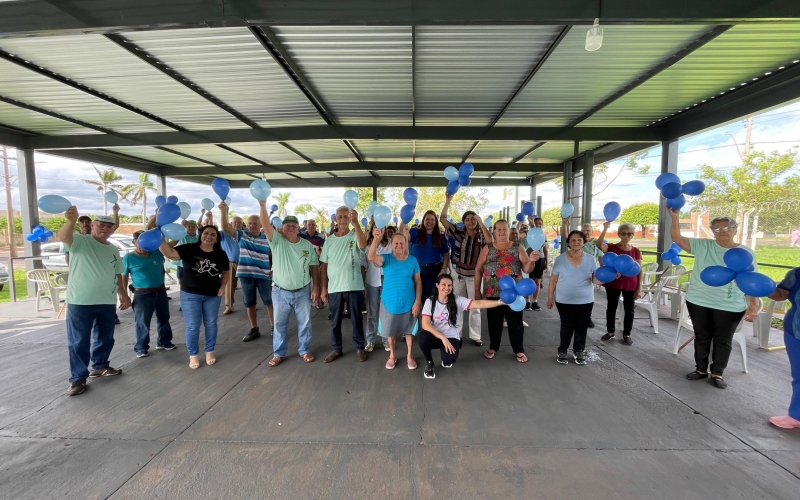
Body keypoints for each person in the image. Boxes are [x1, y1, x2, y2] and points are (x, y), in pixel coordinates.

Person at [668, 210, 760, 389]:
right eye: (717, 229)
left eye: (726, 228)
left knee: (723, 339)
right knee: (702, 336)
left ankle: (717, 372)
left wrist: (753, 303)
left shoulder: (745, 252)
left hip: (730, 304)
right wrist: (675, 217)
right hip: (698, 300)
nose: (722, 232)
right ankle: (700, 369)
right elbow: (677, 238)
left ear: (734, 229)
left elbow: (751, 279)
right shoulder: (703, 246)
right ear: (712, 232)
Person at [58, 208, 131, 396]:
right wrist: (71, 221)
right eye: (100, 225)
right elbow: (63, 237)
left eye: (109, 226)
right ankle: (78, 378)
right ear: (92, 226)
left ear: (113, 230)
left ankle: (100, 366)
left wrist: (123, 294)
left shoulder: (113, 248)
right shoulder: (80, 241)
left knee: (105, 336)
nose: (104, 229)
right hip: (80, 301)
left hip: (107, 300)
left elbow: (117, 273)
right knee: (79, 340)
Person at [159, 224, 230, 370]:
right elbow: (169, 253)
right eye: (206, 233)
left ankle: (210, 351)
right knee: (193, 326)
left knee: (211, 323)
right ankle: (193, 355)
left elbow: (225, 271)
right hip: (190, 295)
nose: (208, 236)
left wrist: (223, 286)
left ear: (216, 239)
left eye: (212, 234)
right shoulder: (189, 248)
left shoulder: (220, 254)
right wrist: (161, 235)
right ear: (201, 234)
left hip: (213, 295)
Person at [262, 204, 320, 367]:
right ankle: (279, 353)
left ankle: (304, 350)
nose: (291, 228)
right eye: (287, 226)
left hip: (303, 291)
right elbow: (266, 225)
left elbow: (314, 266)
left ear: (298, 228)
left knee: (305, 323)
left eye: (294, 226)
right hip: (280, 291)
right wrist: (262, 204)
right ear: (282, 227)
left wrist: (316, 287)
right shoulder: (277, 241)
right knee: (280, 324)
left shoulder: (307, 245)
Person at [474, 219, 538, 362]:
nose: (502, 232)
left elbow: (527, 268)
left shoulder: (517, 247)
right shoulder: (488, 248)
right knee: (493, 322)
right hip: (492, 292)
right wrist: (477, 291)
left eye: (505, 229)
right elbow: (478, 269)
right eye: (499, 230)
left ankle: (519, 350)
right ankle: (493, 347)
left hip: (515, 292)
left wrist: (532, 260)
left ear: (509, 231)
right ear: (494, 232)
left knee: (515, 322)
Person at [420, 274, 505, 379]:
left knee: (448, 360)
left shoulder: (458, 300)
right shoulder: (430, 301)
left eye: (449, 285)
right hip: (436, 335)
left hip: (451, 336)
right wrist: (442, 337)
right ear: (437, 285)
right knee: (423, 336)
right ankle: (429, 362)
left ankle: (447, 355)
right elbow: (425, 324)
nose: (446, 288)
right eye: (443, 284)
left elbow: (478, 304)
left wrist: (500, 302)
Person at [440, 194, 492, 345]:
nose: (470, 221)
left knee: (475, 305)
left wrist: (481, 224)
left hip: (475, 276)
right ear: (463, 222)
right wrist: (448, 201)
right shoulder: (458, 232)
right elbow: (443, 219)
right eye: (467, 219)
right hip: (459, 275)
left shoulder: (482, 235)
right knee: (457, 304)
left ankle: (475, 335)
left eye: (473, 219)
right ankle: (457, 333)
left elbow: (491, 243)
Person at [368, 227, 421, 370]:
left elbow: (418, 282)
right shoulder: (387, 259)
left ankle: (410, 356)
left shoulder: (413, 261)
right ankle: (392, 356)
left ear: (406, 245)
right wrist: (376, 240)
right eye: (396, 243)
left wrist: (417, 301)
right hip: (389, 302)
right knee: (390, 332)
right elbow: (371, 257)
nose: (399, 246)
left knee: (409, 331)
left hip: (409, 302)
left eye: (401, 243)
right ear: (392, 245)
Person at [320, 206, 368, 363]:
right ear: (335, 219)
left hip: (353, 286)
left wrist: (357, 223)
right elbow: (324, 265)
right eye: (340, 217)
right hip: (334, 287)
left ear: (349, 218)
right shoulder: (329, 241)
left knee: (356, 319)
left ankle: (360, 347)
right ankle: (336, 349)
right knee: (335, 321)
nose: (342, 219)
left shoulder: (355, 235)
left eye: (345, 217)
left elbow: (363, 246)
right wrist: (323, 288)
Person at [220, 202, 274, 341]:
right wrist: (223, 211)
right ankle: (254, 329)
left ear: (261, 225)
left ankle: (275, 328)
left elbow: (277, 254)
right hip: (246, 275)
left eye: (255, 223)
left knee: (269, 302)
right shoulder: (242, 235)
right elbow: (226, 227)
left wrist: (274, 269)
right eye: (250, 223)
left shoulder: (268, 238)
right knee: (249, 303)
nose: (252, 226)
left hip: (264, 275)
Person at [547, 230, 602, 365]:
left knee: (581, 326)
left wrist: (610, 277)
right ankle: (563, 350)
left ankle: (578, 351)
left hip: (585, 300)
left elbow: (595, 280)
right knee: (567, 325)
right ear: (569, 243)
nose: (576, 242)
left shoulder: (591, 259)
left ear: (583, 243)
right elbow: (553, 280)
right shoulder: (560, 259)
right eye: (573, 240)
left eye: (579, 240)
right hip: (564, 299)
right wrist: (550, 298)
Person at [122, 226, 174, 358]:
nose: (142, 245)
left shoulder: (156, 252)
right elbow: (123, 276)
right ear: (134, 242)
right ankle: (141, 347)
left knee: (164, 318)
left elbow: (170, 245)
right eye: (138, 241)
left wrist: (162, 233)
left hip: (160, 291)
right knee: (142, 321)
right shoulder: (129, 257)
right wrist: (124, 295)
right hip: (142, 294)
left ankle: (164, 342)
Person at [595, 221, 643, 345]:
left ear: (632, 235)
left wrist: (639, 288)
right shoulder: (612, 248)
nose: (626, 236)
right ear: (619, 234)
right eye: (624, 233)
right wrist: (605, 229)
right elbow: (599, 244)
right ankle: (610, 331)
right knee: (611, 307)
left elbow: (640, 270)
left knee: (629, 309)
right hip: (613, 283)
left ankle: (627, 334)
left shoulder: (636, 251)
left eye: (630, 234)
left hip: (630, 284)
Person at [767, 267, 800, 428]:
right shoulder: (796, 274)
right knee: (799, 374)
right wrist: (762, 287)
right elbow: (780, 294)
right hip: (795, 331)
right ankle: (797, 415)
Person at [561, 218, 603, 328]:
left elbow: (600, 257)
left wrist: (603, 271)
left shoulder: (595, 243)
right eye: (584, 230)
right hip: (574, 270)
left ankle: (587, 317)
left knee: (588, 296)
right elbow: (565, 234)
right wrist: (565, 223)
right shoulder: (577, 240)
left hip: (589, 272)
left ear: (592, 232)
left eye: (588, 230)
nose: (586, 232)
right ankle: (571, 316)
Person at [402, 210, 450, 301]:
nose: (430, 222)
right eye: (427, 219)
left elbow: (446, 254)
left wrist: (443, 269)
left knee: (429, 299)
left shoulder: (440, 237)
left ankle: (428, 315)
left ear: (435, 222)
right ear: (423, 221)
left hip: (434, 271)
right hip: (416, 270)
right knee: (414, 297)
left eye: (432, 220)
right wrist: (404, 225)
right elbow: (404, 239)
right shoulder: (415, 232)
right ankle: (416, 315)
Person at [363, 220, 392, 352]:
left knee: (385, 312)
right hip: (371, 281)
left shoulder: (390, 244)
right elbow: (364, 264)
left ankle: (386, 340)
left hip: (386, 281)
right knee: (372, 313)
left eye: (382, 227)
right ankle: (370, 340)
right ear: (372, 228)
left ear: (385, 229)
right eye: (376, 226)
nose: (379, 229)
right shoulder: (367, 245)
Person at [221, 215, 243, 315]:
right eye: (235, 222)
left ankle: (252, 305)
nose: (237, 224)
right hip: (230, 263)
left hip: (244, 263)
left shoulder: (244, 234)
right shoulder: (224, 234)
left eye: (239, 223)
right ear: (231, 223)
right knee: (229, 286)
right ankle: (229, 306)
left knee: (248, 285)